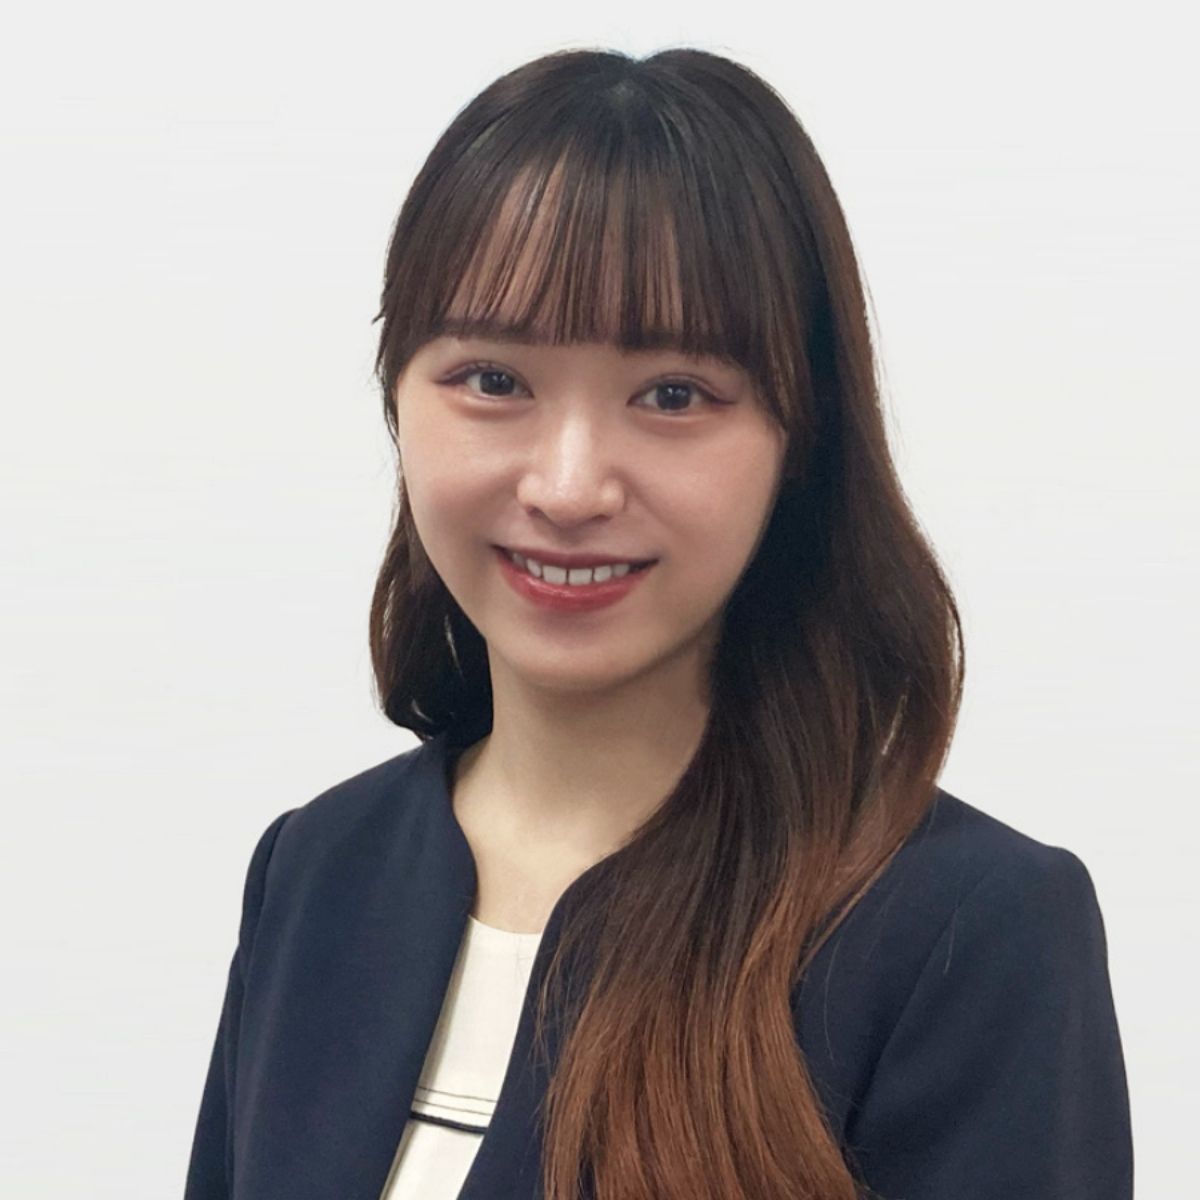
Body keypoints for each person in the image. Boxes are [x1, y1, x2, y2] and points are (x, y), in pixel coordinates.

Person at [183, 47, 1133, 1200]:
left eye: (673, 395)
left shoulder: (962, 932)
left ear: (800, 440)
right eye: (492, 380)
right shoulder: (316, 870)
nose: (568, 486)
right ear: (396, 396)